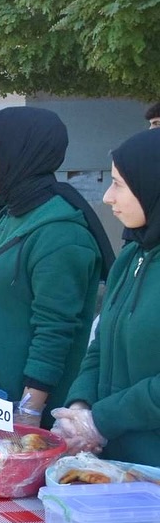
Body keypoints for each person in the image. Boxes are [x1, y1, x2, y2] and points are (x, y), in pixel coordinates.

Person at [0, 107, 113, 426]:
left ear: (14, 154)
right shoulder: (10, 213)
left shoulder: (61, 233)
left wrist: (29, 409)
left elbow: (54, 330)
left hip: (17, 411)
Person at [55, 128, 160, 464]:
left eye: (119, 184)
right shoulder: (131, 256)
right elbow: (100, 344)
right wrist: (80, 406)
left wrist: (102, 420)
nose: (107, 197)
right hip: (112, 462)